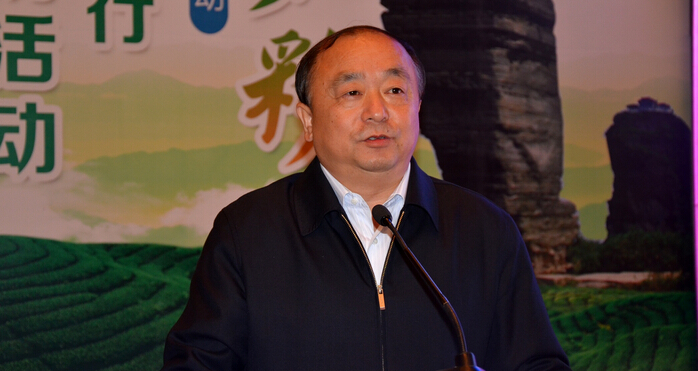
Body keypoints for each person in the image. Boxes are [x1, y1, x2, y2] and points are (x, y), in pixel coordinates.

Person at [161, 25, 571, 371]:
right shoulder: (247, 232)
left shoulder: (484, 229)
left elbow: (537, 364)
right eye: (352, 92)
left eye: (395, 90)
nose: (378, 111)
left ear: (418, 108)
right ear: (307, 120)